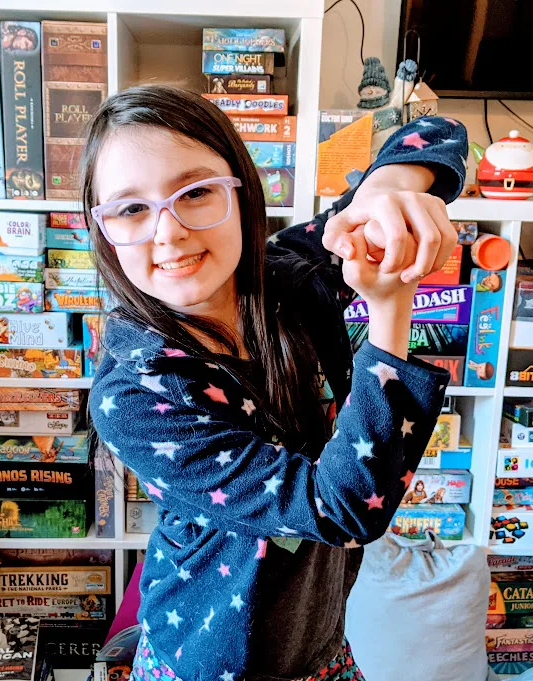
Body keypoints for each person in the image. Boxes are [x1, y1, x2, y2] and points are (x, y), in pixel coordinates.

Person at [86, 85, 467, 681]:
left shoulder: (288, 276)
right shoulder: (134, 392)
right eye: (131, 209)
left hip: (320, 646)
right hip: (208, 666)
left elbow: (438, 133)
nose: (170, 231)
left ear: (241, 190)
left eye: (197, 192)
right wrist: (392, 308)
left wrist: (382, 195)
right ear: (103, 228)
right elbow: (339, 509)